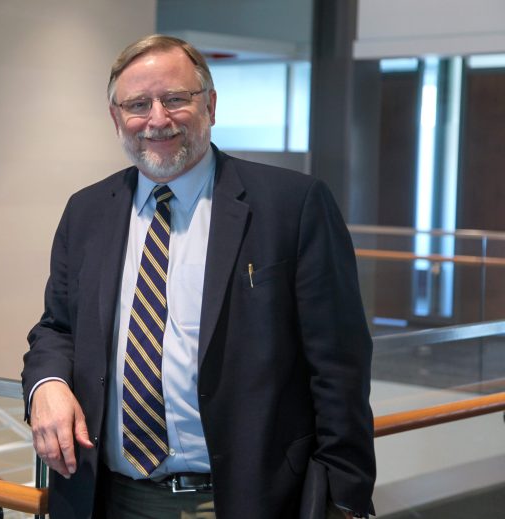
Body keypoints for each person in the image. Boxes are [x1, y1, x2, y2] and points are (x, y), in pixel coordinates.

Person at [22, 34, 375, 519]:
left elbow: (339, 367)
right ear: (116, 118)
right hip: (108, 498)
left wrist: (344, 500)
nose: (158, 119)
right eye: (139, 104)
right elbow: (56, 328)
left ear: (210, 104)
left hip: (247, 499)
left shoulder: (292, 206)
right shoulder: (86, 211)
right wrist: (47, 385)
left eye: (175, 99)